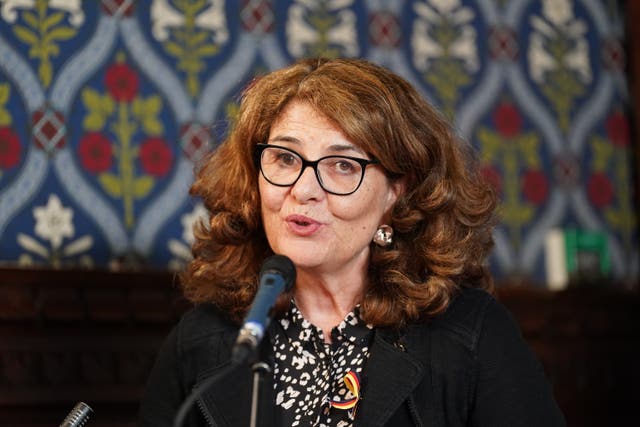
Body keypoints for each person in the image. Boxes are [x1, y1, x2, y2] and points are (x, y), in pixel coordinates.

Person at [139, 57, 565, 427]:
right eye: (285, 159)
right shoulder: (202, 341)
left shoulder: (471, 333)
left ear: (396, 191)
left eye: (342, 165)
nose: (304, 189)